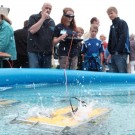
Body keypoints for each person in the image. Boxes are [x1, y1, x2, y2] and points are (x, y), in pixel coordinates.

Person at [27, 2, 55, 68]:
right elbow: (32, 30)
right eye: (46, 8)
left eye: (50, 9)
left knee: (46, 75)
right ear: (42, 8)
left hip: (47, 53)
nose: (48, 10)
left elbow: (52, 37)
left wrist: (52, 50)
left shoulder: (52, 21)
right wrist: (43, 18)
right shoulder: (33, 17)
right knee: (34, 73)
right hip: (34, 52)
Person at [107, 6, 130, 73]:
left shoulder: (122, 23)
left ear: (116, 13)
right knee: (114, 74)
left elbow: (123, 37)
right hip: (113, 54)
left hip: (121, 53)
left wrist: (118, 50)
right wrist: (111, 51)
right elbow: (110, 39)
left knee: (122, 73)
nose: (110, 15)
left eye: (111, 13)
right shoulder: (112, 26)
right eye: (108, 14)